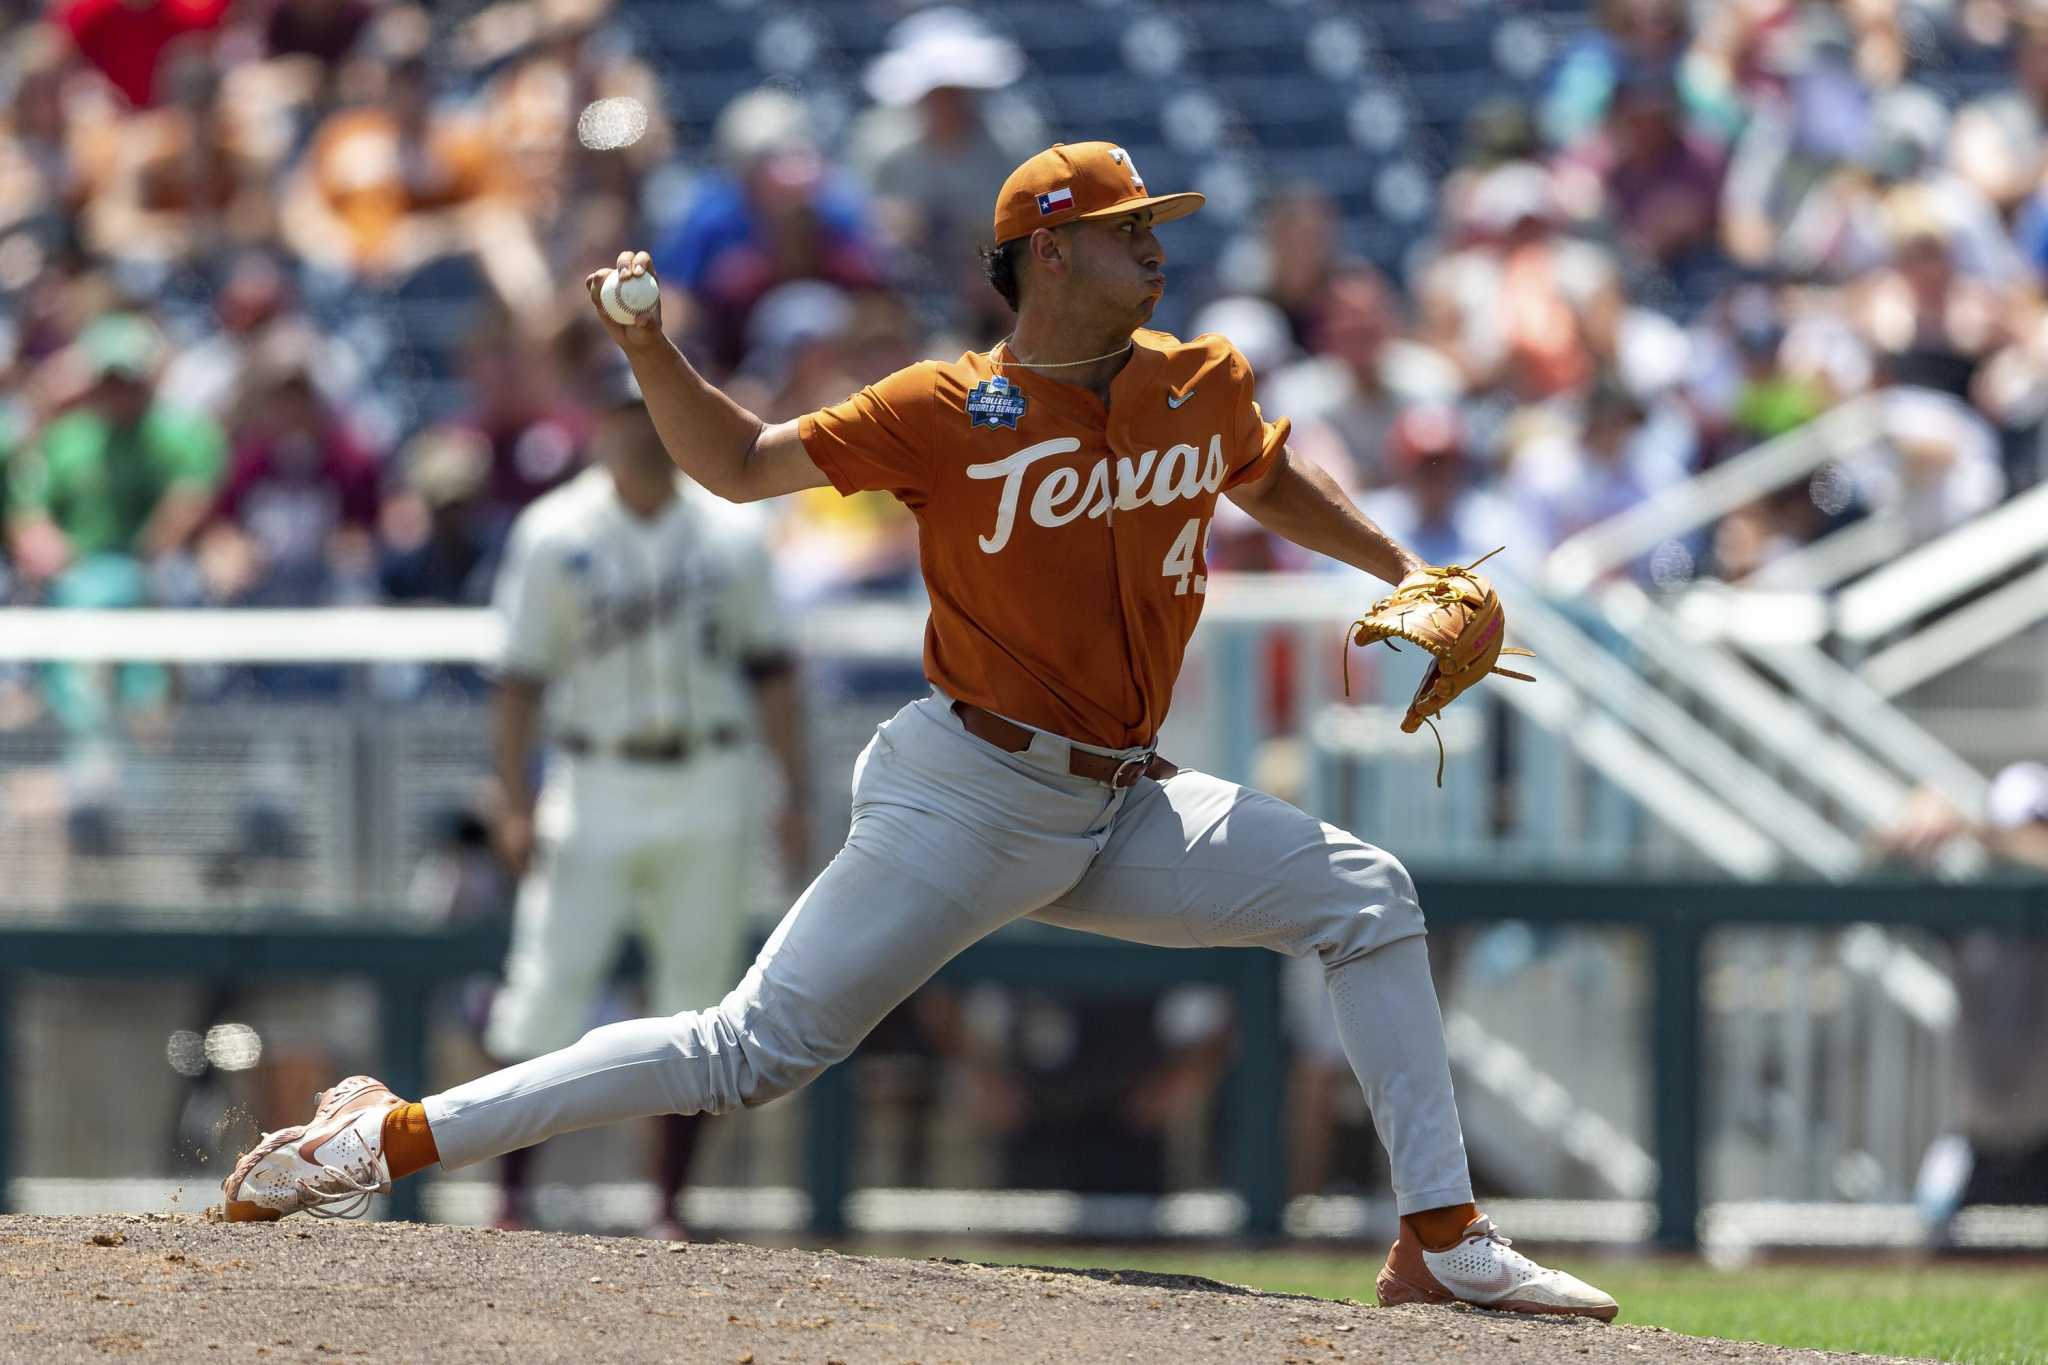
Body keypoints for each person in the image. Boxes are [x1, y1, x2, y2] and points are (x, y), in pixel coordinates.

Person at [223, 141, 1618, 1322]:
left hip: (1123, 801)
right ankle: (386, 1135)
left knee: (1367, 895)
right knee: (743, 1054)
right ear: (1051, 252)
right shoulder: (944, 407)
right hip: (968, 790)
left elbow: (1266, 478)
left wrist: (1389, 564)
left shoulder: (1198, 378)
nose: (1159, 251)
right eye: (1133, 233)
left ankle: (1441, 1241)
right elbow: (733, 464)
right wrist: (652, 347)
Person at [474, 355, 806, 1238]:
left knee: (697, 1004)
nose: (636, 426)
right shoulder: (555, 530)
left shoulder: (732, 529)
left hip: (711, 772)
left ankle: (670, 1208)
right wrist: (512, 798)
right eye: (620, 411)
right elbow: (518, 680)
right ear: (596, 424)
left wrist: (794, 792)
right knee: (546, 985)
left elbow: (773, 668)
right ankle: (510, 1199)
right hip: (593, 774)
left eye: (646, 409)